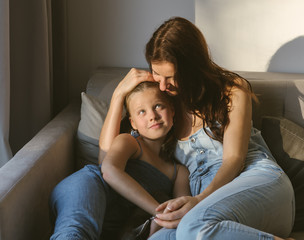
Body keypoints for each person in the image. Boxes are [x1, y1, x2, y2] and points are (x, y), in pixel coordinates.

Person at [99, 17, 295, 240]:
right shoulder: (162, 104)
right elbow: (105, 159)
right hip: (207, 210)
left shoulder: (232, 92)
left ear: (191, 68)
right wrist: (118, 95)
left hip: (257, 184)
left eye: (171, 77)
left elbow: (234, 159)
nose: (162, 85)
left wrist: (199, 201)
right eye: (157, 74)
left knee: (192, 226)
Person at [50, 81, 191, 240]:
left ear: (172, 110)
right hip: (88, 186)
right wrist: (158, 212)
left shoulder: (179, 171)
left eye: (158, 106)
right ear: (133, 123)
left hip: (118, 226)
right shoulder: (130, 142)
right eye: (142, 112)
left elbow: (179, 212)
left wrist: (161, 220)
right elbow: (109, 171)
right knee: (75, 233)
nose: (152, 116)